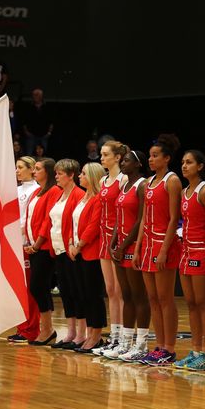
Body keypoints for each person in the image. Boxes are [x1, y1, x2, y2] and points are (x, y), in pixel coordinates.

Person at [133, 134, 182, 367]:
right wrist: (138, 247)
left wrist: (164, 250)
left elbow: (174, 219)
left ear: (167, 158)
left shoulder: (172, 181)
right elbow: (143, 219)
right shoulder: (148, 182)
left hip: (164, 245)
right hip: (148, 244)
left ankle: (169, 348)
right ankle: (159, 345)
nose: (150, 160)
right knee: (152, 298)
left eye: (155, 156)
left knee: (165, 299)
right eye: (150, 156)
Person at [31, 159, 85, 350]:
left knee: (77, 291)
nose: (57, 177)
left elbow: (74, 223)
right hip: (58, 249)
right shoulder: (60, 195)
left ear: (71, 175)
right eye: (56, 173)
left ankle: (81, 333)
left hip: (70, 249)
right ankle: (70, 332)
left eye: (60, 173)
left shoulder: (78, 195)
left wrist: (73, 243)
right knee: (66, 291)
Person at [173, 150, 205, 371]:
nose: (184, 166)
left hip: (203, 250)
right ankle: (196, 349)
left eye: (189, 162)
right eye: (182, 162)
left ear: (200, 166)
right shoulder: (183, 191)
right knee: (190, 303)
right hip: (186, 250)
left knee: (203, 302)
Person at [105, 150, 151, 362]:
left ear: (138, 164)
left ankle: (141, 344)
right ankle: (125, 342)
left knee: (138, 295)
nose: (123, 163)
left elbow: (140, 219)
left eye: (127, 160)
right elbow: (118, 218)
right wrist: (113, 242)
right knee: (126, 295)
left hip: (133, 247)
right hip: (120, 246)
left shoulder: (142, 185)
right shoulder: (124, 186)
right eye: (122, 160)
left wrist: (124, 245)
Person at [22, 158, 61, 345]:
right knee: (38, 287)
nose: (35, 171)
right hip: (34, 246)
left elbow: (47, 221)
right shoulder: (37, 191)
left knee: (39, 286)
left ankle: (47, 329)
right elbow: (29, 218)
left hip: (44, 247)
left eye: (38, 169)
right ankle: (47, 329)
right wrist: (29, 242)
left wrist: (37, 244)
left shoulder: (54, 191)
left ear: (48, 172)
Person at [69, 162, 106, 353]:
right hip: (78, 252)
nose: (80, 176)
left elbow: (93, 226)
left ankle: (96, 335)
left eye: (83, 173)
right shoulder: (83, 198)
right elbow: (74, 223)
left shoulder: (98, 199)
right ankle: (90, 333)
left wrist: (80, 244)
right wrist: (70, 243)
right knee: (83, 294)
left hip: (90, 252)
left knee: (93, 295)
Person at [96, 141, 127, 352]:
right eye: (101, 154)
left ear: (117, 157)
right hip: (103, 237)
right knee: (110, 289)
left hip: (118, 237)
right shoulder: (102, 180)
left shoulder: (124, 179)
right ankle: (114, 336)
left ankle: (125, 337)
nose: (101, 158)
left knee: (120, 289)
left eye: (105, 154)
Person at [7, 156, 41, 344]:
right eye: (16, 167)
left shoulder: (36, 190)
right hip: (14, 244)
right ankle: (22, 327)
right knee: (19, 288)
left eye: (20, 167)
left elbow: (30, 219)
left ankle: (31, 329)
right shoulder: (17, 190)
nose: (17, 171)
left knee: (29, 288)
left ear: (31, 169)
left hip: (27, 244)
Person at [21, 89, 53, 155]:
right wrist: (26, 131)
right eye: (34, 95)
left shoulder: (47, 107)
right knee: (29, 154)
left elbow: (51, 121)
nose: (35, 97)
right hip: (31, 135)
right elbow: (24, 121)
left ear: (41, 96)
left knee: (44, 154)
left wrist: (49, 132)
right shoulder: (29, 107)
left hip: (44, 135)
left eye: (37, 95)